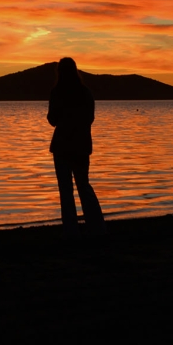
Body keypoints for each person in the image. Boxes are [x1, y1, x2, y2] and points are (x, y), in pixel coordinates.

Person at [47, 56, 106, 236]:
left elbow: (52, 119)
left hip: (62, 146)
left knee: (66, 190)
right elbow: (90, 119)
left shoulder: (57, 92)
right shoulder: (85, 92)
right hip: (80, 145)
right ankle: (96, 226)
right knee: (83, 185)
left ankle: (71, 229)